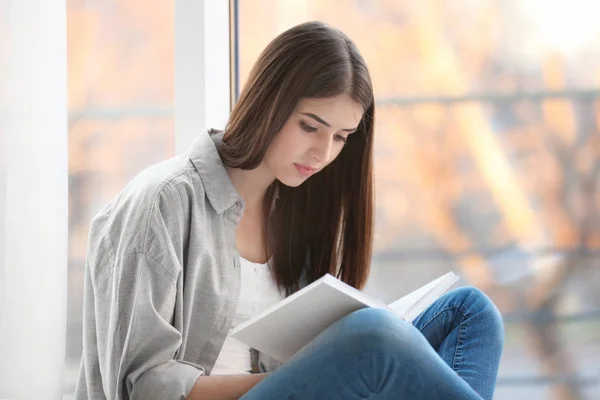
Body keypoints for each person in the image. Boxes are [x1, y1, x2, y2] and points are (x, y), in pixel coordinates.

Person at [75, 21, 504, 400]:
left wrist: (322, 372)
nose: (323, 152)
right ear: (269, 101)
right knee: (372, 338)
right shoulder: (162, 202)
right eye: (310, 126)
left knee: (469, 312)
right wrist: (318, 371)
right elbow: (142, 387)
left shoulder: (295, 210)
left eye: (341, 137)